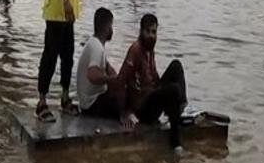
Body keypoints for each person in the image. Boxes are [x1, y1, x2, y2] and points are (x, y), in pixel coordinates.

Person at [119, 14, 188, 152]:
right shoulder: (135, 50)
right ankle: (175, 143)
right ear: (141, 32)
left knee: (176, 65)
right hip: (143, 109)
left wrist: (166, 93)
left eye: (154, 32)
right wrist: (125, 113)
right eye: (148, 31)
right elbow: (121, 80)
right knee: (174, 90)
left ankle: (180, 107)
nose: (151, 35)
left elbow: (154, 78)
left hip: (152, 95)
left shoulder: (150, 49)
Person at [77, 8, 138, 128]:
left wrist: (117, 79)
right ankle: (123, 117)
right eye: (111, 26)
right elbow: (92, 75)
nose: (112, 30)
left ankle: (125, 113)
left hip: (88, 102)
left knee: (124, 86)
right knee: (130, 97)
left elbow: (109, 69)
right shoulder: (96, 48)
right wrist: (112, 80)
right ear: (107, 27)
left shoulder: (95, 43)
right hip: (91, 106)